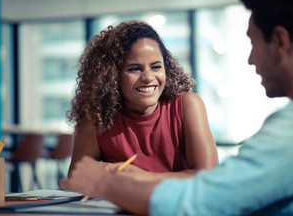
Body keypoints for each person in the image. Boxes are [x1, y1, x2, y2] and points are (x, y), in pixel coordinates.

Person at [60, 0, 293, 215]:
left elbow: (206, 200)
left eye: (253, 43)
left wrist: (111, 183)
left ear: (279, 41)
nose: (251, 59)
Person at [67, 20, 218, 179]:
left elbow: (207, 177)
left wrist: (134, 176)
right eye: (135, 69)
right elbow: (76, 178)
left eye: (156, 67)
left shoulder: (188, 105)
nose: (148, 77)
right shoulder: (97, 118)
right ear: (112, 76)